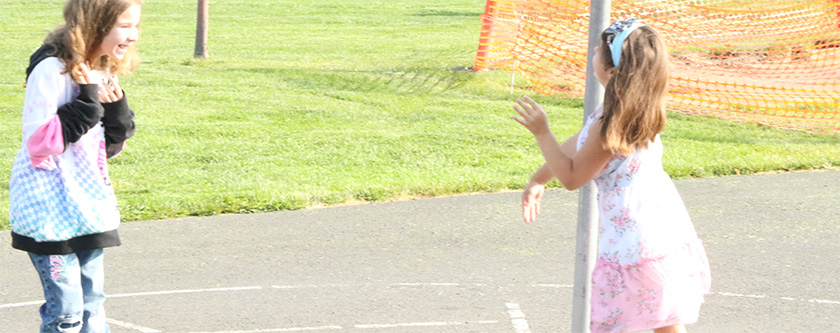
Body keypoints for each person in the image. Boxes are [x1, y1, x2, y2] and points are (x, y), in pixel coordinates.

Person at [513, 18, 711, 333]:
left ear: (612, 71)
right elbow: (580, 144)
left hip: (633, 238)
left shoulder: (610, 121)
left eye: (597, 50)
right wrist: (539, 178)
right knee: (665, 321)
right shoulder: (637, 107)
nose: (592, 52)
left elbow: (573, 175)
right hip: (661, 228)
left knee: (619, 321)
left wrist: (542, 132)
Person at [9, 0, 142, 331]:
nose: (134, 35)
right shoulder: (51, 70)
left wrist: (117, 113)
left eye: (136, 26)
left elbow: (109, 149)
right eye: (125, 26)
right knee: (67, 310)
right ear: (95, 23)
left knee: (93, 305)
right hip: (48, 207)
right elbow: (40, 142)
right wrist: (87, 102)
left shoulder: (101, 68)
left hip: (87, 204)